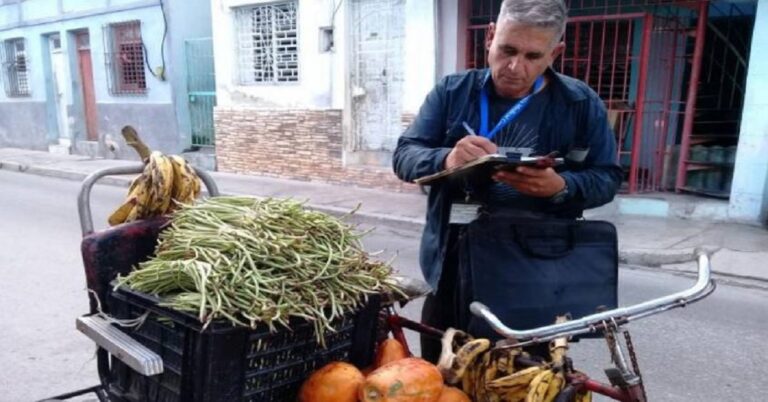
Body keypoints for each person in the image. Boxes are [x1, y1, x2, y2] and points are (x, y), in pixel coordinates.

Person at [392, 0, 622, 362]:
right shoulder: (453, 92)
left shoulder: (580, 103)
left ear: (555, 53)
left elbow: (607, 177)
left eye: (533, 56)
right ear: (490, 37)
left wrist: (562, 188)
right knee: (440, 379)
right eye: (507, 50)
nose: (515, 67)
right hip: (452, 268)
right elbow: (404, 155)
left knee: (524, 380)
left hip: (535, 276)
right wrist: (447, 159)